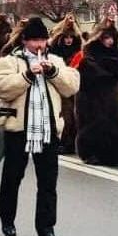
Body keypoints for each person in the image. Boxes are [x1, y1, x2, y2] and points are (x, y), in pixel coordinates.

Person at [0, 17, 80, 236]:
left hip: (47, 128)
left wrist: (53, 73)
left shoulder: (55, 60)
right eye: (34, 41)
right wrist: (27, 75)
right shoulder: (10, 61)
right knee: (12, 177)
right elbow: (0, 88)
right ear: (25, 40)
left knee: (48, 181)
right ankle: (7, 219)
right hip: (18, 129)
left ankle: (46, 228)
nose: (39, 45)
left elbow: (71, 86)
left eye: (42, 40)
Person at [74, 18, 118, 166]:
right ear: (99, 39)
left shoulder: (115, 53)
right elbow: (92, 73)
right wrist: (109, 69)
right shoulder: (88, 54)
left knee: (117, 124)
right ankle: (90, 154)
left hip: (111, 96)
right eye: (106, 38)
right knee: (94, 126)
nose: (110, 41)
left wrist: (110, 67)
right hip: (91, 98)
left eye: (112, 37)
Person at [47, 15, 83, 154]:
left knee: (73, 116)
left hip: (73, 85)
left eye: (71, 37)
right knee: (63, 115)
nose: (69, 40)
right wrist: (65, 25)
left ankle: (70, 143)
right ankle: (63, 142)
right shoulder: (55, 51)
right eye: (66, 37)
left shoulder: (78, 51)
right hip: (58, 84)